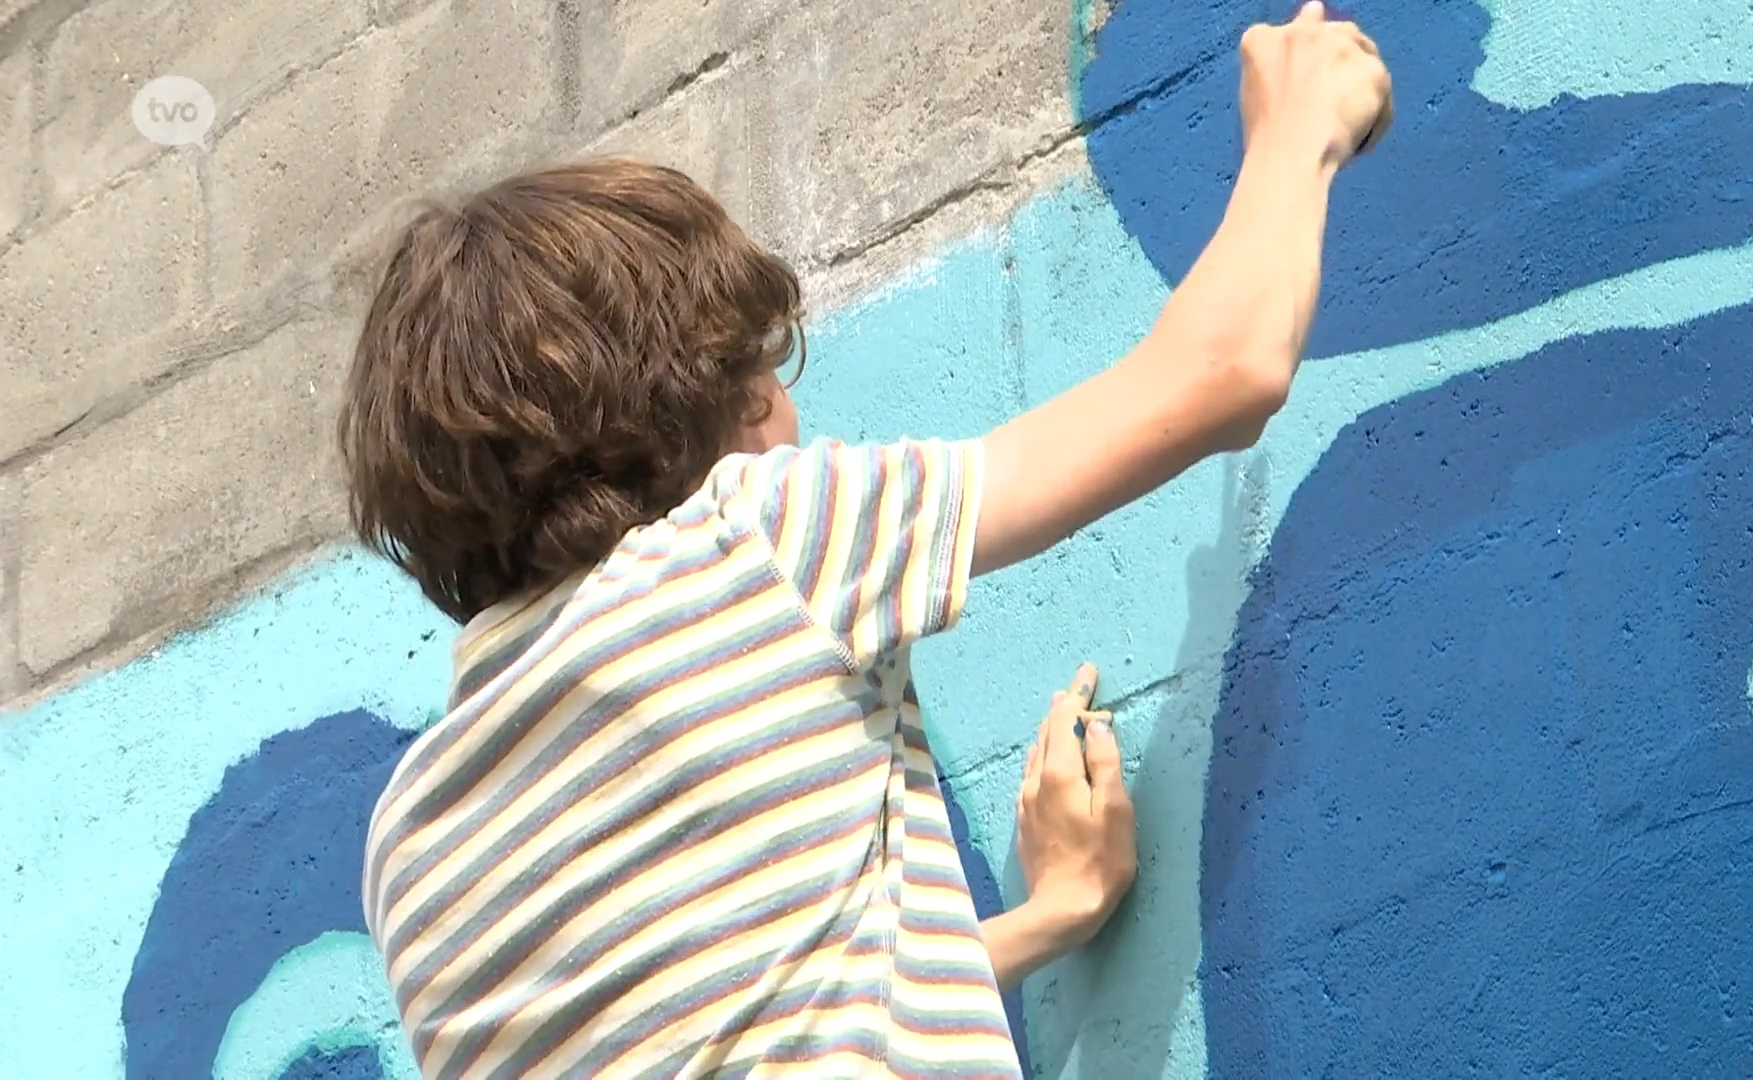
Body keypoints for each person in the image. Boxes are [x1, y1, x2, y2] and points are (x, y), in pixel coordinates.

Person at [340, 2, 1392, 1074]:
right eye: (769, 371)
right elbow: (1224, 375)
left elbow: (736, 1027)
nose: (793, 414)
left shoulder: (411, 847)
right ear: (716, 401)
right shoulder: (746, 544)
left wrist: (1052, 915)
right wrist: (1298, 128)